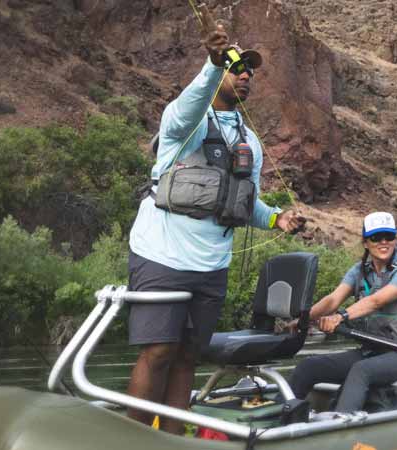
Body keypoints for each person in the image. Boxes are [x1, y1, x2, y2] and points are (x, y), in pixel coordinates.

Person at [124, 9, 304, 434]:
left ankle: (172, 440)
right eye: (236, 68)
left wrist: (277, 220)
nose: (245, 77)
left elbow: (248, 204)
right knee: (159, 352)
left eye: (249, 72)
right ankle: (129, 440)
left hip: (211, 266)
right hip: (161, 254)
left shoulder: (251, 142)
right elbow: (188, 106)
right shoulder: (183, 122)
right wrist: (212, 61)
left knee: (188, 356)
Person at [287, 212, 397, 414]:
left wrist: (341, 317)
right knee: (308, 367)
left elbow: (376, 301)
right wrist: (303, 319)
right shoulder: (359, 271)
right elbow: (333, 299)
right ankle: (277, 418)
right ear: (366, 242)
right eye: (376, 237)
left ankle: (340, 425)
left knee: (361, 370)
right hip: (372, 352)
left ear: (394, 239)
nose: (383, 242)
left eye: (389, 237)